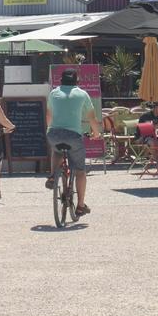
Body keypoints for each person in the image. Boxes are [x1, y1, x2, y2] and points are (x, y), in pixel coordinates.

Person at [45, 68, 101, 218]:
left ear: (61, 81)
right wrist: (96, 133)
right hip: (73, 136)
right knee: (80, 170)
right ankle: (81, 205)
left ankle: (52, 176)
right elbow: (91, 118)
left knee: (56, 150)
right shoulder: (82, 94)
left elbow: (49, 115)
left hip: (54, 134)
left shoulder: (53, 93)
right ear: (77, 81)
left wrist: (50, 130)